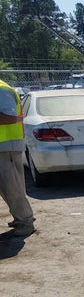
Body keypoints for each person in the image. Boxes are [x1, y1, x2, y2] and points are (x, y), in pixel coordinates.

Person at [0, 78, 35, 238]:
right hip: (4, 146)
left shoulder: (2, 90)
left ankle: (25, 222)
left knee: (12, 187)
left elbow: (10, 117)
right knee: (6, 188)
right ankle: (20, 218)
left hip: (7, 147)